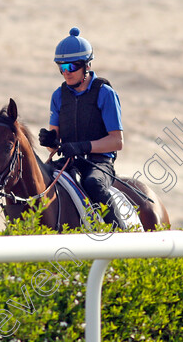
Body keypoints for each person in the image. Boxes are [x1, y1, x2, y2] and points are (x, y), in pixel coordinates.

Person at [38, 27, 123, 224]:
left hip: (99, 163)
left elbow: (117, 142)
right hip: (70, 162)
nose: (66, 73)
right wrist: (50, 140)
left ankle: (121, 235)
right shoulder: (58, 96)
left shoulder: (105, 93)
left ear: (86, 66)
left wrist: (82, 146)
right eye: (61, 67)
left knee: (92, 184)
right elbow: (54, 146)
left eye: (71, 67)